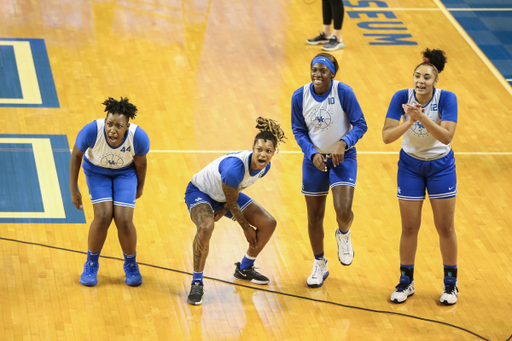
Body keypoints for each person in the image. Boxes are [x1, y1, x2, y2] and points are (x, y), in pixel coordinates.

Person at [382, 48, 459, 305]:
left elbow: (446, 137)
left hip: (440, 167)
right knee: (409, 227)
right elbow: (387, 136)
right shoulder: (400, 97)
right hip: (410, 167)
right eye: (417, 76)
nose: (420, 81)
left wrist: (421, 117)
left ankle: (450, 285)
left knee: (445, 227)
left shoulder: (447, 98)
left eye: (426, 77)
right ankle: (406, 281)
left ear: (436, 81)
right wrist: (410, 119)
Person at [184, 117, 286, 305]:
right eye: (259, 150)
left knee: (268, 223)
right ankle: (197, 281)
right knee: (206, 227)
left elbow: (237, 190)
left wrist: (223, 210)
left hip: (225, 196)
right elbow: (232, 197)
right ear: (252, 148)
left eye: (268, 151)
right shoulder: (235, 168)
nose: (263, 155)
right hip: (201, 192)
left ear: (274, 152)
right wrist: (246, 228)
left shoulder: (265, 167)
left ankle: (245, 269)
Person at [291, 53, 367, 288]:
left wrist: (343, 143)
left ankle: (343, 234)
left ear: (332, 74)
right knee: (314, 217)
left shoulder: (343, 92)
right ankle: (319, 263)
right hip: (314, 160)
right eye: (314, 69)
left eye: (323, 70)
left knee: (343, 210)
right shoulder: (299, 95)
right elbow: (298, 130)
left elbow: (361, 124)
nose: (317, 74)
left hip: (342, 158)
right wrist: (312, 153)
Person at [70, 97, 150, 287]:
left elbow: (141, 163)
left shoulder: (138, 137)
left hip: (125, 173)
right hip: (97, 172)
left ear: (127, 127)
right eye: (109, 124)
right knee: (103, 215)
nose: (112, 129)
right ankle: (91, 264)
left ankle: (131, 265)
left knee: (124, 219)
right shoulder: (91, 131)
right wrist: (74, 189)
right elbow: (76, 156)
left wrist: (139, 186)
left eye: (118, 125)